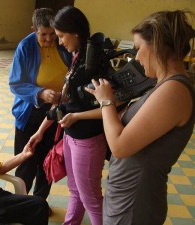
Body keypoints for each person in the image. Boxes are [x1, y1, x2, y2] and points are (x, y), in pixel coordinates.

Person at [85, 10, 195, 225]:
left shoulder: (174, 90)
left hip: (134, 206)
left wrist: (106, 101)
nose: (135, 57)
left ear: (156, 45)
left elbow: (119, 146)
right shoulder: (163, 85)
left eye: (138, 48)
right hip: (127, 198)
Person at [28, 6, 107, 225]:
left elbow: (110, 107)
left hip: (88, 141)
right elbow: (62, 104)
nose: (59, 41)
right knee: (75, 191)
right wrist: (40, 132)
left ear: (76, 33)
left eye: (61, 36)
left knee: (91, 198)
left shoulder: (95, 65)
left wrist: (78, 117)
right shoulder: (77, 58)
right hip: (71, 137)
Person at [8, 7, 72, 205]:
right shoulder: (26, 47)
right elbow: (16, 83)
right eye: (43, 34)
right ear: (34, 30)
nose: (49, 39)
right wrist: (40, 93)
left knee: (48, 161)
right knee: (27, 161)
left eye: (53, 33)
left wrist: (66, 93)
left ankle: (38, 204)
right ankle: (20, 205)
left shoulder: (62, 43)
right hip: (31, 112)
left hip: (57, 112)